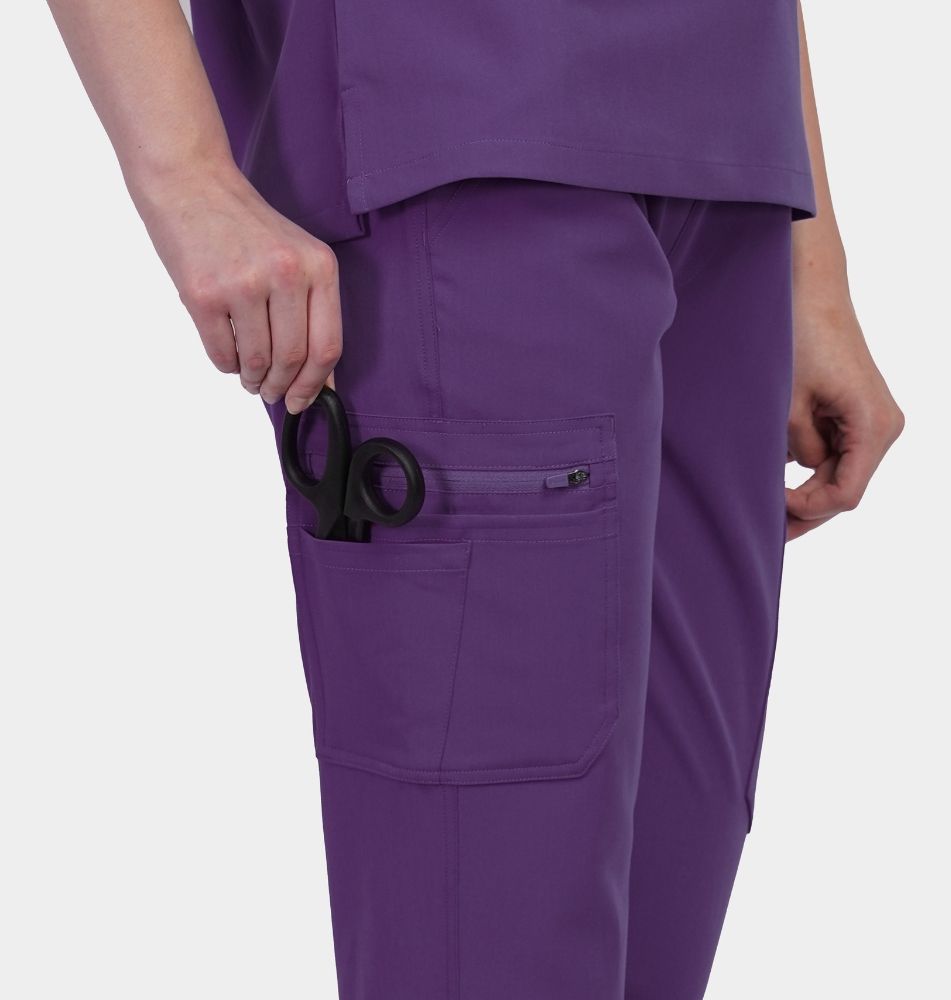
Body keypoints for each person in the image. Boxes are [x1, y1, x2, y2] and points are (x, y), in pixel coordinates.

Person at [47, 1, 903, 997]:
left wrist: (813, 265)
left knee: (663, 921)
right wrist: (185, 179)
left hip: (732, 167)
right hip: (457, 140)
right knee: (494, 942)